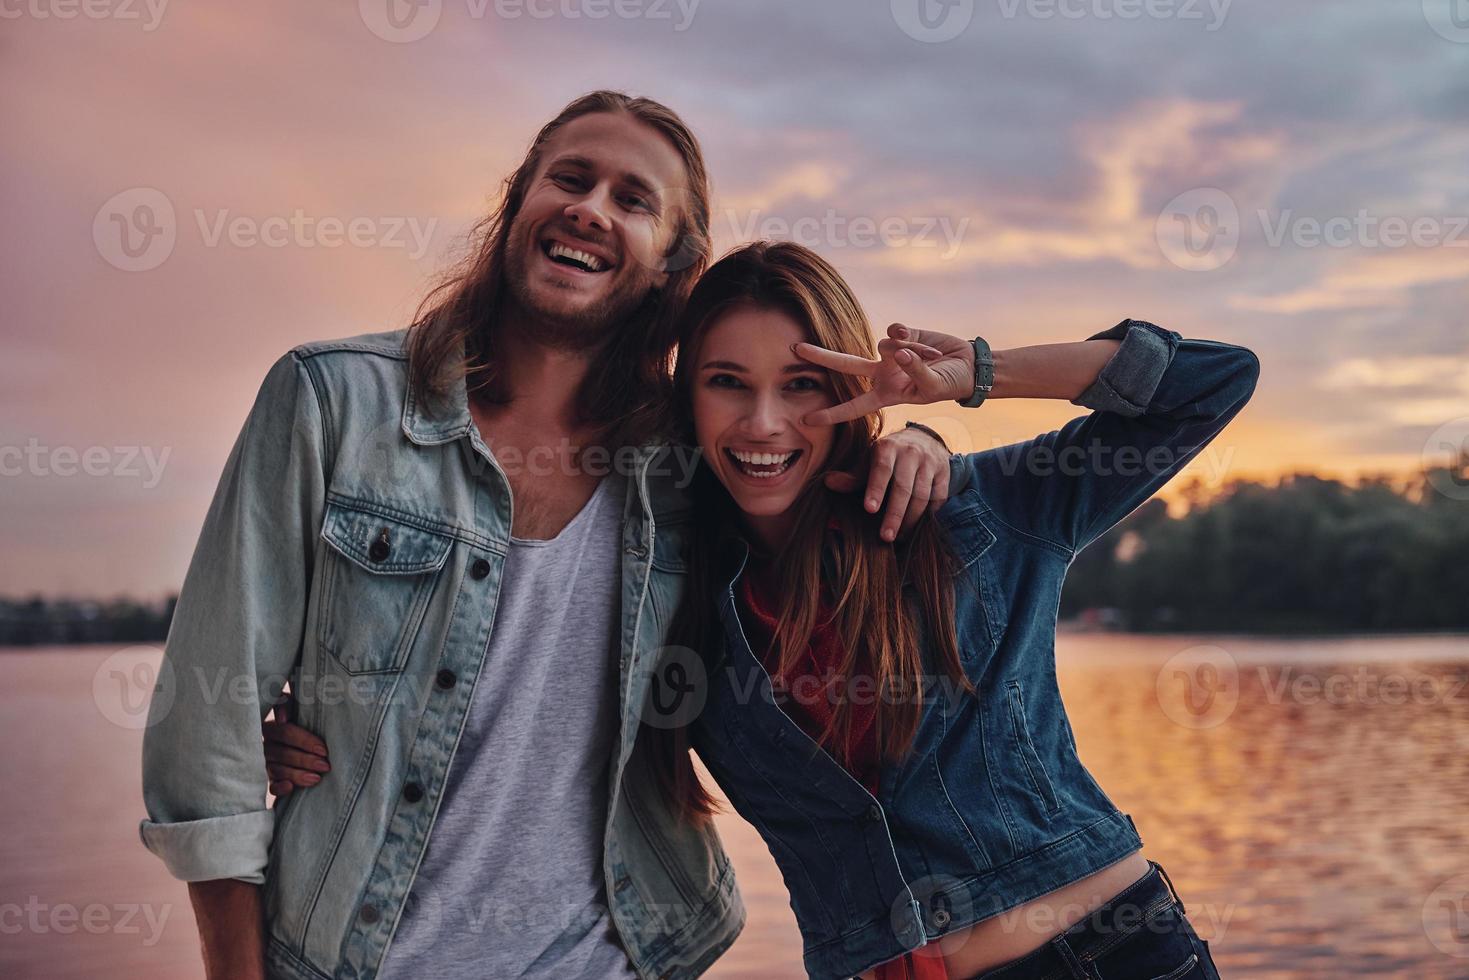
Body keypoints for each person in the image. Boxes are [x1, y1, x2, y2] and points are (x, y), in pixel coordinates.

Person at [269, 241, 1256, 978]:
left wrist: (974, 378)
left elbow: (1213, 382)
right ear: (685, 399)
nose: (764, 423)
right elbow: (500, 686)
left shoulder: (970, 509)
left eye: (802, 385)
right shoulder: (665, 588)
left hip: (1107, 954)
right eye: (726, 384)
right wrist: (329, 731)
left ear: (851, 385)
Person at [138, 94, 951, 980]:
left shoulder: (689, 458)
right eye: (569, 178)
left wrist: (923, 441)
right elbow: (205, 721)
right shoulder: (334, 405)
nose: (590, 208)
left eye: (633, 200)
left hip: (613, 956)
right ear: (517, 203)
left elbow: (810, 489)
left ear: (672, 263)